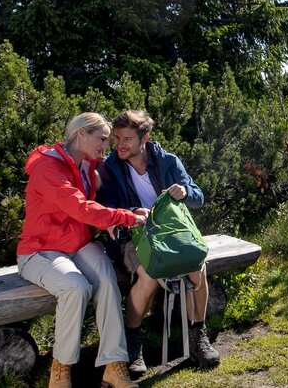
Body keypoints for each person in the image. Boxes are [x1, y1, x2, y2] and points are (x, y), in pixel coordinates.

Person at [17, 113, 149, 388]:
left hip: (77, 245)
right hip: (40, 251)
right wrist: (121, 218)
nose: (106, 145)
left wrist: (124, 212)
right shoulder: (47, 168)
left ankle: (115, 367)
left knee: (107, 280)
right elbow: (78, 207)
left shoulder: (87, 166)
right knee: (76, 287)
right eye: (102, 139)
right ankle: (60, 373)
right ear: (80, 135)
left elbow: (101, 201)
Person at [97, 110, 219, 375]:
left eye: (127, 138)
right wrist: (130, 213)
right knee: (149, 275)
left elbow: (198, 197)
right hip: (134, 236)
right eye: (117, 138)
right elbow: (104, 207)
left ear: (145, 137)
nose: (120, 144)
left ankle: (198, 336)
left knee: (197, 267)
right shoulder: (109, 167)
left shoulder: (167, 162)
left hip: (173, 233)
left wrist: (184, 192)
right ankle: (133, 343)